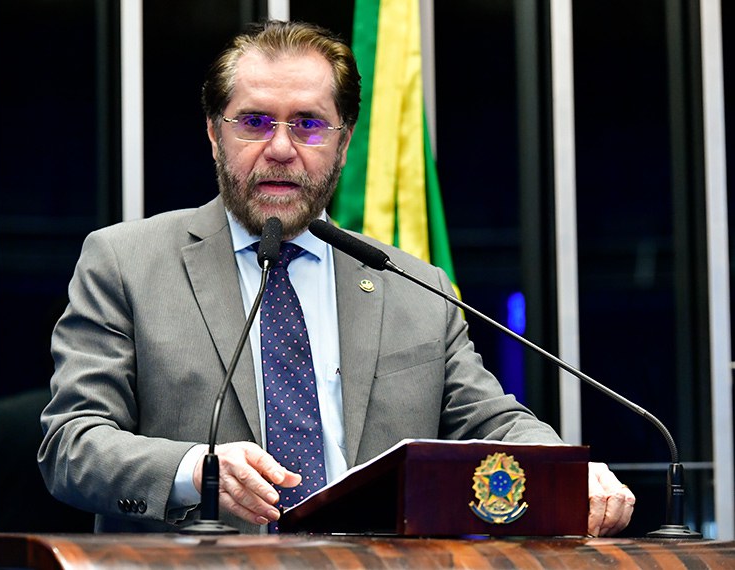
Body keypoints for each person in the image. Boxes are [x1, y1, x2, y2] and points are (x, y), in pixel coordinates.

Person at [38, 19, 634, 536]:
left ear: (344, 144)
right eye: (253, 122)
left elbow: (492, 422)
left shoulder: (411, 285)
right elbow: (71, 444)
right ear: (215, 135)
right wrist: (198, 469)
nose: (279, 148)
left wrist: (566, 469)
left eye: (308, 125)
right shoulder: (126, 263)